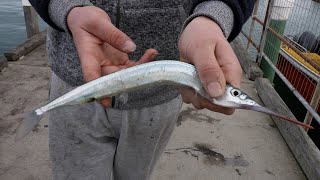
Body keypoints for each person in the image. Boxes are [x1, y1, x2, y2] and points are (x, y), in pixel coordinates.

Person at [29, 0, 255, 179]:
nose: (233, 95)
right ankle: (42, 111)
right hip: (74, 76)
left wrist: (212, 18)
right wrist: (67, 8)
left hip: (159, 98)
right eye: (235, 93)